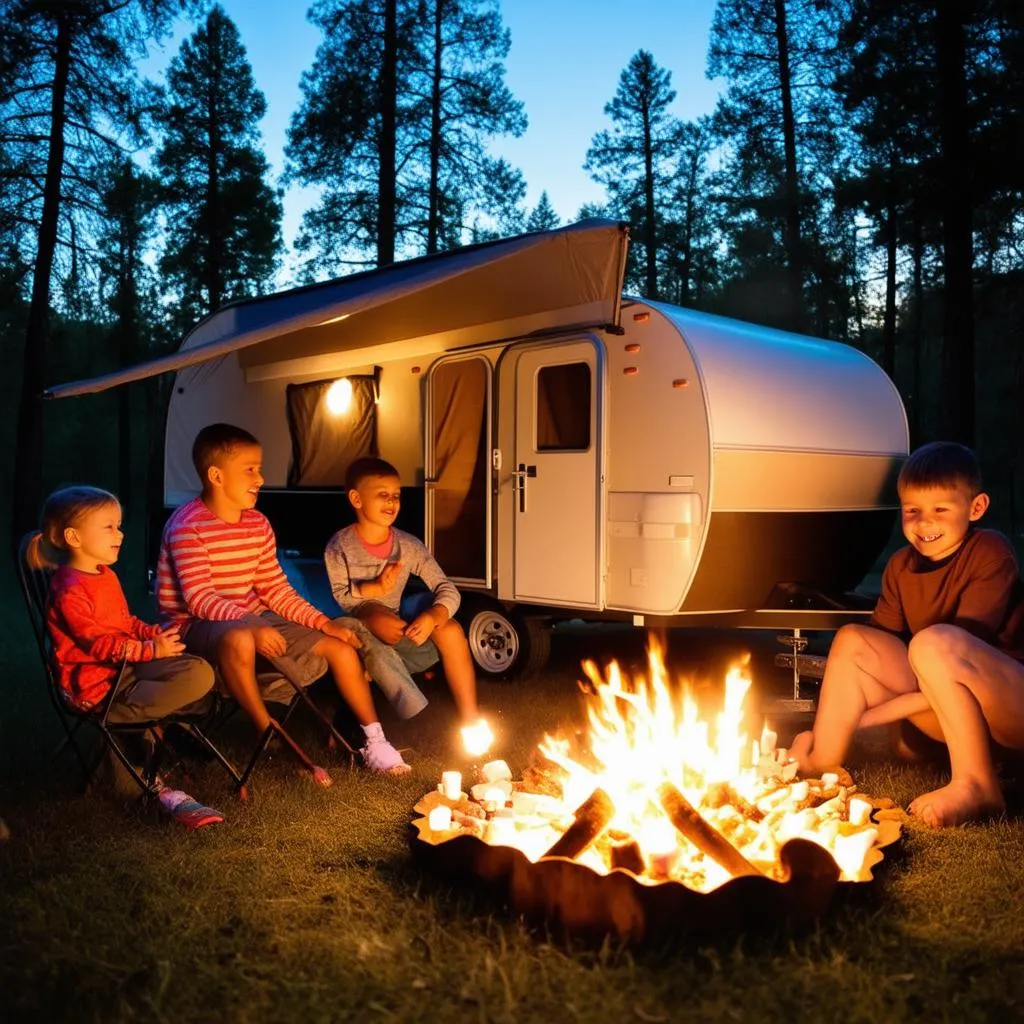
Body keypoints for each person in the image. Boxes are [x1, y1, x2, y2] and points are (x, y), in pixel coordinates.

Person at [790, 441, 1024, 827]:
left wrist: (869, 717)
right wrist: (841, 718)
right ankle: (822, 762)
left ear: (976, 508)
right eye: (912, 510)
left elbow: (954, 658)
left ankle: (976, 783)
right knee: (852, 640)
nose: (923, 523)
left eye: (940, 510)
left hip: (1007, 705)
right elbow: (875, 655)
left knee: (931, 644)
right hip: (947, 703)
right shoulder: (901, 566)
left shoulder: (989, 551)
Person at [157, 423, 410, 776]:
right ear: (216, 475)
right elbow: (198, 599)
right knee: (241, 636)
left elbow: (275, 589)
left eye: (259, 469)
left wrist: (323, 623)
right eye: (250, 470)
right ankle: (268, 733)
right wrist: (252, 623)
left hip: (251, 617)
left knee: (338, 646)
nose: (260, 478)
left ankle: (375, 741)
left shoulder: (257, 524)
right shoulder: (188, 526)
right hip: (195, 627)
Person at [41, 485, 224, 829]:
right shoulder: (69, 590)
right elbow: (97, 645)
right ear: (73, 537)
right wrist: (151, 652)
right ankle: (141, 739)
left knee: (199, 670)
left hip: (126, 669)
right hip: (97, 686)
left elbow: (122, 623)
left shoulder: (103, 574)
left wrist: (149, 634)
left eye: (119, 525)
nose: (120, 533)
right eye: (108, 526)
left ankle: (154, 728)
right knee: (194, 679)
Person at [324, 457, 492, 756]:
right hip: (354, 621)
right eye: (382, 495)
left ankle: (470, 720)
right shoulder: (340, 546)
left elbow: (446, 588)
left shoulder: (408, 545)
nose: (392, 502)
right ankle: (411, 713)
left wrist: (434, 615)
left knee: (450, 629)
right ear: (356, 498)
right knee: (375, 629)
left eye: (397, 495)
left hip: (397, 622)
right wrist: (374, 591)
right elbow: (343, 597)